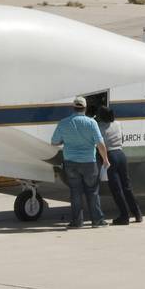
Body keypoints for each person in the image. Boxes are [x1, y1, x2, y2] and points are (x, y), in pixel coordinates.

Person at [51, 96, 109, 228]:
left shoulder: (63, 123)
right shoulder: (91, 123)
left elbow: (54, 142)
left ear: (73, 107)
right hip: (89, 162)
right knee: (92, 191)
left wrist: (64, 141)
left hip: (70, 163)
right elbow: (100, 143)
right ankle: (97, 221)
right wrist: (105, 159)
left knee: (75, 192)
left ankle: (77, 222)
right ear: (85, 108)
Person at [97, 106, 143, 225]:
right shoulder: (118, 124)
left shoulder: (100, 127)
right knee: (127, 186)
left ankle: (124, 216)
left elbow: (99, 144)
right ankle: (137, 213)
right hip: (121, 154)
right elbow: (122, 139)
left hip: (110, 156)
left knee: (116, 189)